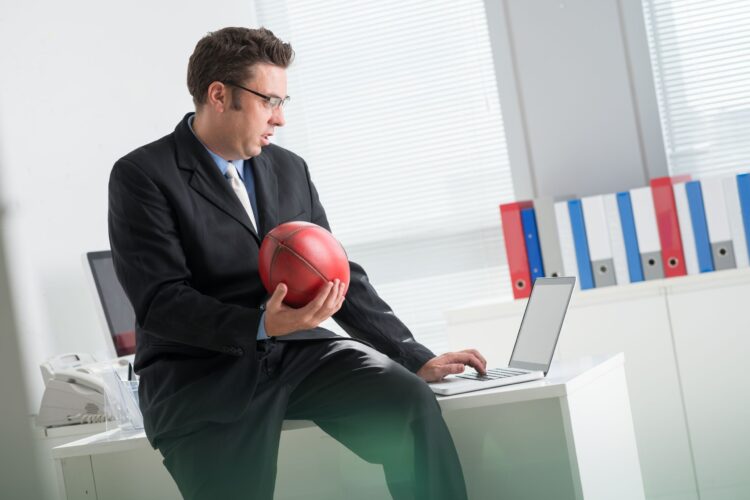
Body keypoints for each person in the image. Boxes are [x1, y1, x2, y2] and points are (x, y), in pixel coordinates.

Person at [108, 26, 487, 500]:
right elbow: (161, 301)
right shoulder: (142, 176)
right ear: (219, 95)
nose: (280, 119)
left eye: (283, 102)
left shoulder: (289, 169)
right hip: (201, 374)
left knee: (405, 401)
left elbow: (337, 273)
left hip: (302, 356)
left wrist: (414, 355)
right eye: (270, 101)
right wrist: (260, 324)